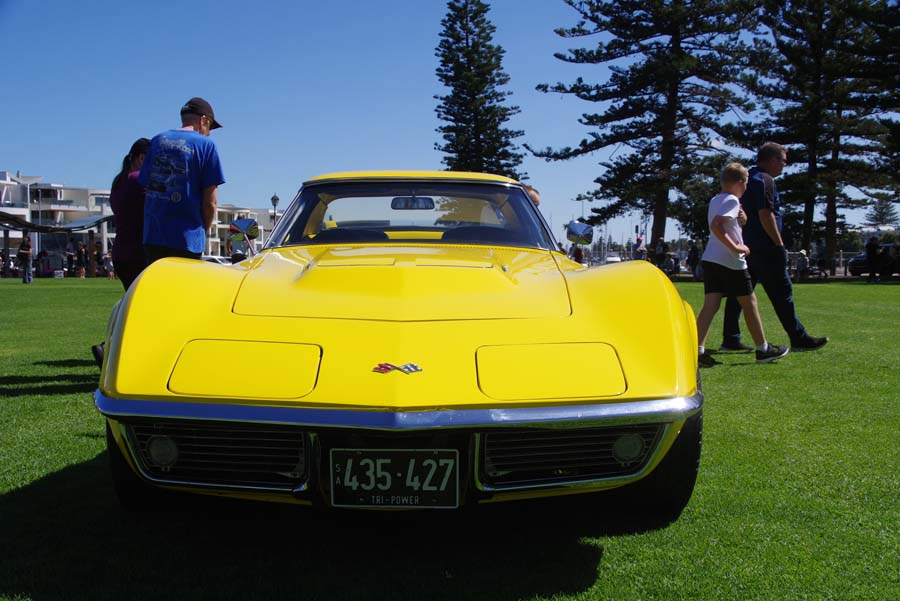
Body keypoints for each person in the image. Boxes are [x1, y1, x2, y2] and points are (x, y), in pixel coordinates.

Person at [720, 143, 828, 353]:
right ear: (772, 160)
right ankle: (798, 337)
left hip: (745, 246)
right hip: (766, 248)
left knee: (739, 294)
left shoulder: (746, 179)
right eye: (783, 161)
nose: (784, 165)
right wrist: (779, 244)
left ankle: (731, 338)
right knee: (782, 292)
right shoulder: (765, 180)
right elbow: (766, 214)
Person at [696, 163, 788, 367]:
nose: (746, 188)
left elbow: (725, 223)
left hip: (711, 258)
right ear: (739, 182)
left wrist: (742, 220)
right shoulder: (732, 200)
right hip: (730, 261)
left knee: (710, 305)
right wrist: (736, 247)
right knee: (750, 303)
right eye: (745, 184)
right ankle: (763, 349)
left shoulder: (716, 199)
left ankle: (697, 352)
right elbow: (717, 225)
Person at [140, 97, 225, 264]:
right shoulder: (206, 145)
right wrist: (204, 230)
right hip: (187, 239)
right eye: (209, 127)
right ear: (203, 120)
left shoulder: (157, 141)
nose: (209, 133)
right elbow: (211, 202)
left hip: (153, 237)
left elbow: (146, 187)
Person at [110, 137, 151, 290]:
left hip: (121, 253)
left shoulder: (118, 182)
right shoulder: (140, 179)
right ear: (142, 158)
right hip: (138, 253)